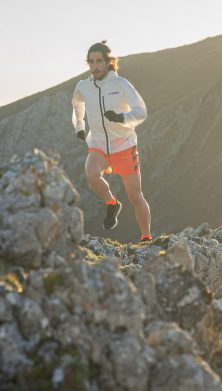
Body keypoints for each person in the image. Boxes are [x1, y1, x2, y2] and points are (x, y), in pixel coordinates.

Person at [71, 41, 152, 241]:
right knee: (91, 175)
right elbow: (77, 104)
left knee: (135, 195)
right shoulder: (83, 87)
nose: (95, 66)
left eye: (99, 61)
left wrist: (121, 117)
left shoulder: (121, 84)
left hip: (124, 145)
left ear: (108, 62)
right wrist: (80, 127)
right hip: (98, 145)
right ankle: (112, 203)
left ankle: (146, 237)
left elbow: (141, 111)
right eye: (91, 62)